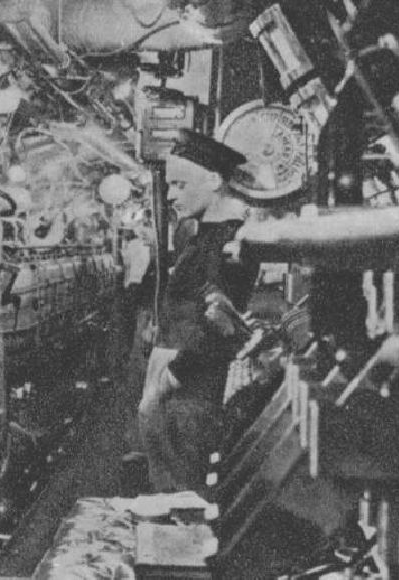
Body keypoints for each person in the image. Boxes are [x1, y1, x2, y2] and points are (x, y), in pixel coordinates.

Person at [138, 129, 257, 493]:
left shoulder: (226, 243)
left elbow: (221, 325)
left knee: (181, 491)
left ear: (214, 180)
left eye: (179, 184)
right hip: (179, 386)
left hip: (190, 392)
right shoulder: (205, 238)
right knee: (170, 482)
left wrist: (171, 377)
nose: (170, 195)